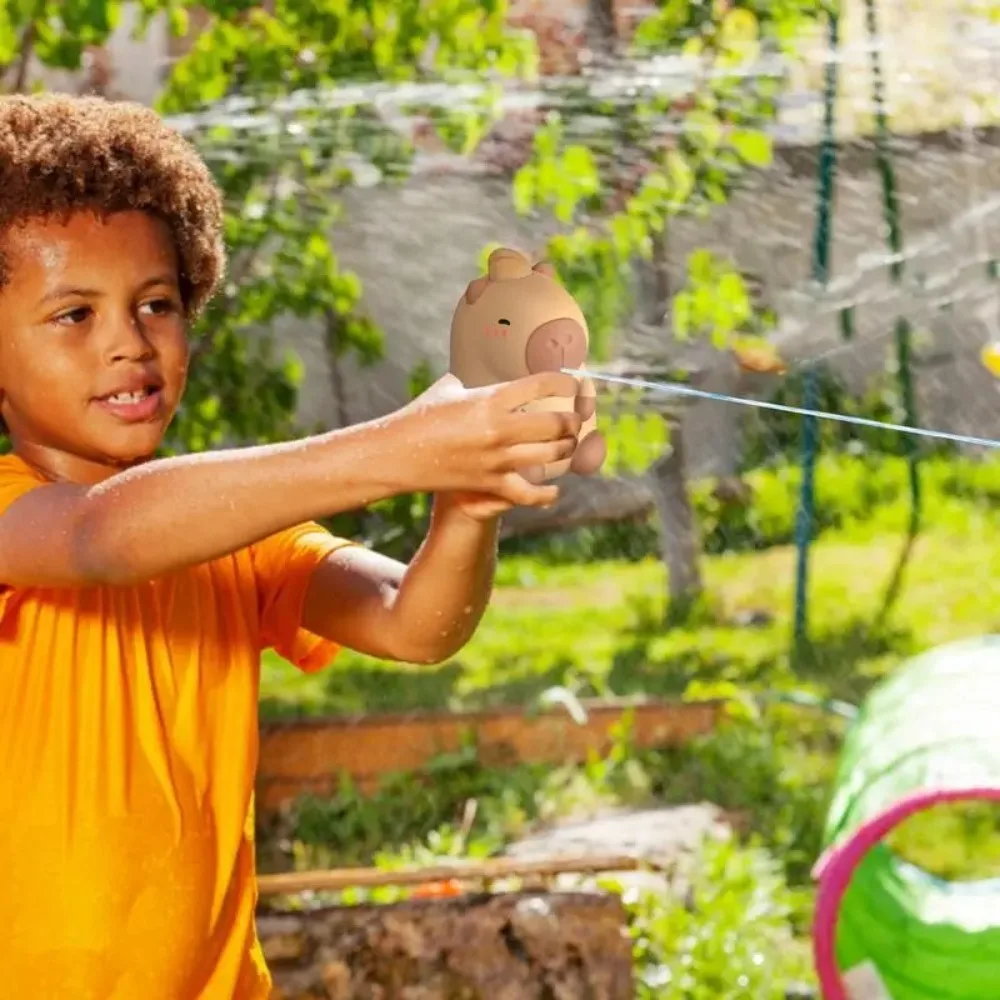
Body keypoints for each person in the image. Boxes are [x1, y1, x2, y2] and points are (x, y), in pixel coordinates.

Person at [0, 93, 583, 1000]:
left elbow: (414, 625)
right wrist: (402, 445)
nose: (129, 342)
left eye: (157, 303)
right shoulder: (25, 515)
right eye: (75, 315)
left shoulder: (227, 529)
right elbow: (99, 536)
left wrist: (467, 501)